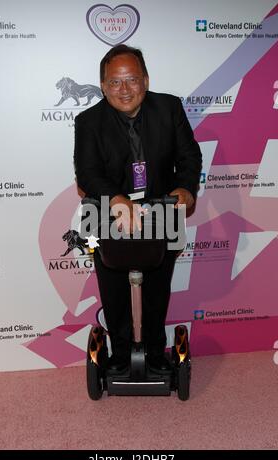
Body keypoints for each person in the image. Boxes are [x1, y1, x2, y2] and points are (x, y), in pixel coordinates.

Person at [74, 44, 202, 374]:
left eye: (132, 79)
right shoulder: (88, 121)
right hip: (106, 210)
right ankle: (118, 358)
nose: (124, 89)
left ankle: (157, 356)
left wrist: (186, 188)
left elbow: (190, 157)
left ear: (145, 80)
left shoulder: (169, 108)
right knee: (114, 287)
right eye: (115, 82)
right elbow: (87, 172)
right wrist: (117, 199)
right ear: (103, 85)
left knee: (158, 286)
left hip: (161, 208)